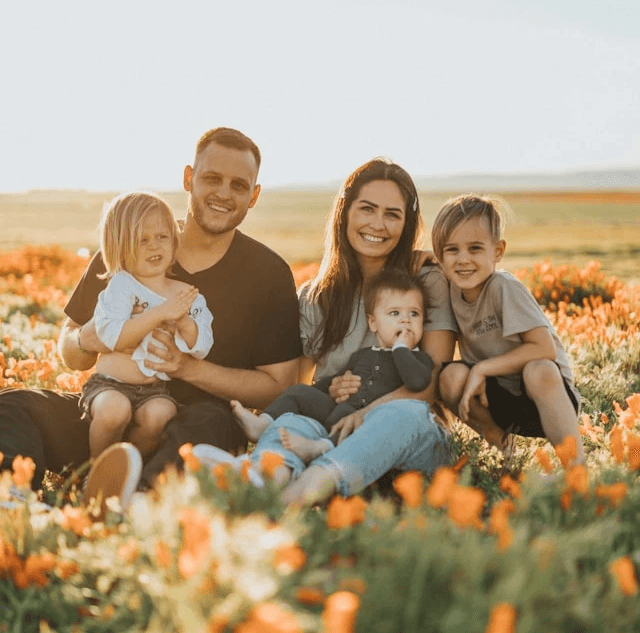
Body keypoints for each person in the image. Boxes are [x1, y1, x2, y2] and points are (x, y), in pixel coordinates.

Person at [0, 127, 302, 503]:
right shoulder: (133, 243)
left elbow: (279, 384)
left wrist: (188, 368)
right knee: (13, 406)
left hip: (187, 427)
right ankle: (11, 502)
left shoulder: (268, 273)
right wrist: (87, 339)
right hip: (109, 416)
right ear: (189, 179)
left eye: (238, 185)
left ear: (253, 196)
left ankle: (136, 499)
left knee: (213, 423)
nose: (224, 193)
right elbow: (71, 348)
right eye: (212, 179)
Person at [192, 157, 457, 505]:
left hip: (410, 438)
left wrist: (365, 412)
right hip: (334, 429)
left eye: (393, 214)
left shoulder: (425, 282)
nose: (378, 224)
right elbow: (294, 384)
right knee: (293, 419)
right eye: (367, 209)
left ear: (406, 224)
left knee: (399, 414)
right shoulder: (317, 296)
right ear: (345, 212)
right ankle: (262, 478)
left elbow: (430, 386)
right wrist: (328, 388)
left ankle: (297, 495)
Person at [431, 194, 585, 464]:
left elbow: (544, 348)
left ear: (498, 251)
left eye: (475, 248)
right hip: (498, 399)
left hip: (546, 397)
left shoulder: (504, 288)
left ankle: (576, 469)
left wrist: (482, 368)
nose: (463, 259)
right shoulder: (450, 291)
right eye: (452, 250)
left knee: (539, 369)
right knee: (450, 376)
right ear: (440, 256)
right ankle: (502, 446)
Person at [231, 268, 434, 463]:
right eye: (395, 313)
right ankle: (263, 423)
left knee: (351, 423)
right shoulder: (363, 355)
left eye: (414, 314)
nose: (406, 321)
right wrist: (329, 387)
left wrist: (401, 349)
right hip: (336, 410)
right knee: (298, 392)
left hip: (369, 422)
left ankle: (320, 448)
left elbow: (416, 382)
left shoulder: (420, 360)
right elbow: (333, 381)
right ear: (373, 323)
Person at [82, 191, 213, 460]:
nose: (154, 246)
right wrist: (162, 313)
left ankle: (129, 468)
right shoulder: (121, 285)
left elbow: (201, 346)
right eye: (142, 240)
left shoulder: (187, 294)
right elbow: (113, 338)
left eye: (162, 237)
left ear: (174, 241)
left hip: (154, 389)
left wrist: (184, 321)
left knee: (161, 415)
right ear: (119, 246)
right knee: (114, 411)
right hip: (109, 384)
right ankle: (95, 469)